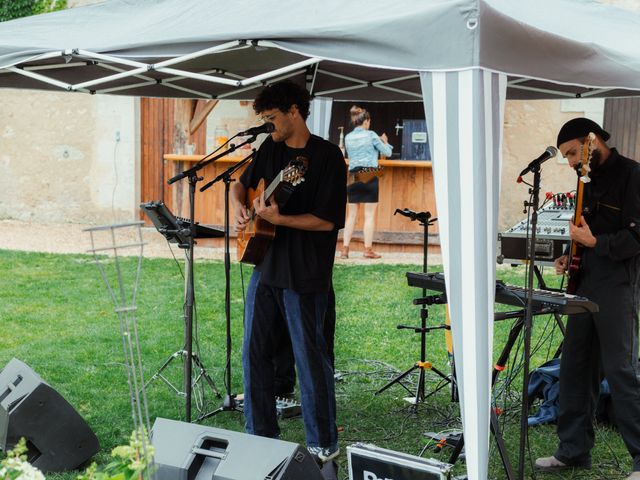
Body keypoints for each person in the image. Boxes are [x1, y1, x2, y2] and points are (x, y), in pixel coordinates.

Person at [232, 80, 347, 463]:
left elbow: (328, 222)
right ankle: (259, 435)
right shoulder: (270, 148)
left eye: (272, 118)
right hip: (265, 267)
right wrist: (240, 207)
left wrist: (282, 218)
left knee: (309, 358)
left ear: (294, 111)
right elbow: (240, 184)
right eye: (264, 119)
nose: (269, 126)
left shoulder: (327, 157)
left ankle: (322, 443)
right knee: (253, 352)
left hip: (306, 274)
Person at [535, 118, 640, 480]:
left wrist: (599, 244)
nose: (569, 162)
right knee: (575, 366)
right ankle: (573, 450)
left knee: (621, 370)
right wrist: (571, 253)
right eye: (565, 156)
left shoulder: (632, 175)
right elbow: (586, 228)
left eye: (573, 153)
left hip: (618, 284)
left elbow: (637, 238)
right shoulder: (586, 181)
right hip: (585, 280)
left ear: (592, 141)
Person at [340, 106, 392, 259]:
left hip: (353, 174)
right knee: (369, 215)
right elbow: (387, 152)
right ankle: (367, 250)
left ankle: (345, 250)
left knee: (351, 215)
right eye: (369, 121)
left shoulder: (348, 137)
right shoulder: (371, 135)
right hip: (369, 173)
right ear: (366, 121)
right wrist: (385, 141)